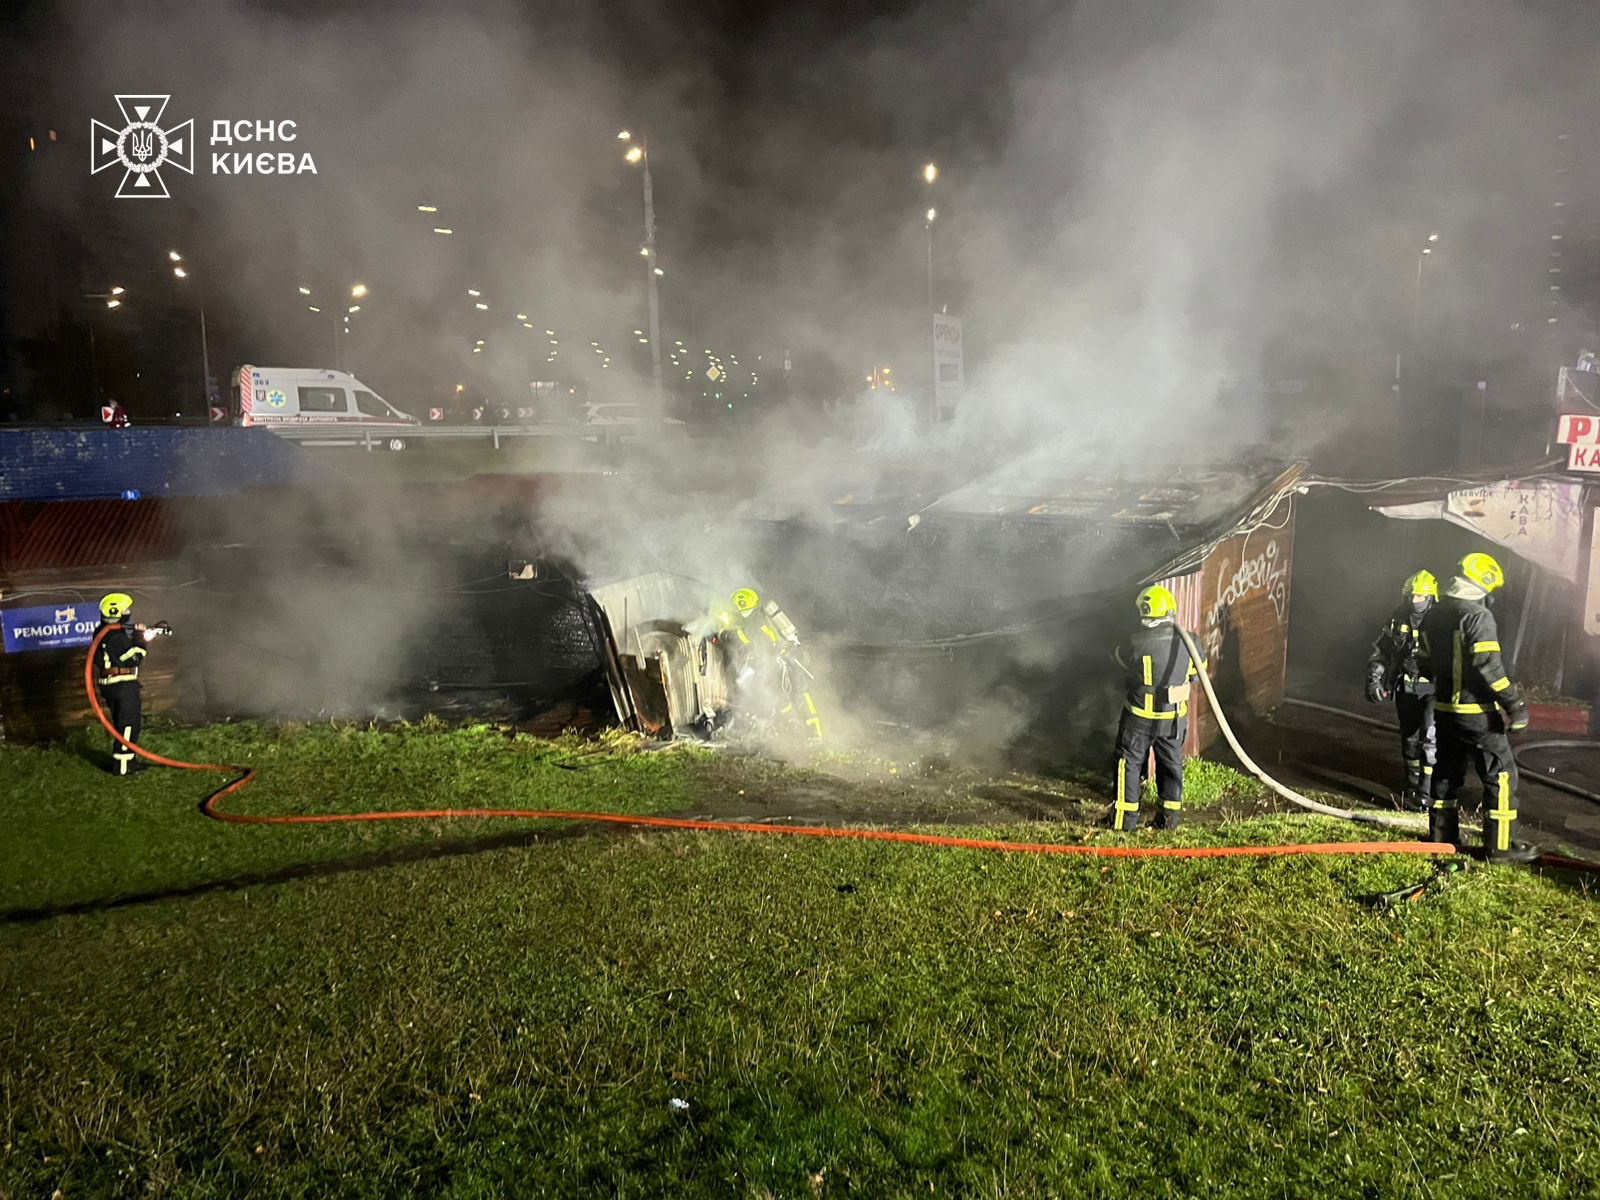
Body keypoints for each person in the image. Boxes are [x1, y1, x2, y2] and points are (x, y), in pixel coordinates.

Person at [1420, 552, 1536, 862]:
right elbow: (1489, 669)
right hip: (1477, 716)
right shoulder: (1477, 616)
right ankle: (1500, 846)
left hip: (1444, 711)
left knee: (1445, 774)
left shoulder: (1434, 613)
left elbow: (1424, 663)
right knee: (1500, 776)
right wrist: (1515, 706)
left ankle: (1441, 838)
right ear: (1481, 584)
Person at [1111, 585, 1205, 832]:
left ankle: (1124, 823)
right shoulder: (1191, 641)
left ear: (1144, 611)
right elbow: (1198, 672)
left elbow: (1118, 657)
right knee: (1171, 765)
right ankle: (1168, 821)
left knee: (1128, 765)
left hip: (1138, 720)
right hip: (1174, 721)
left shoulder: (1136, 643)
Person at [1365, 569, 1439, 810]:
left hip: (1433, 689)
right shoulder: (1398, 618)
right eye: (1410, 597)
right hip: (1405, 687)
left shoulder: (1441, 621)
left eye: (1419, 597)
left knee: (1429, 739)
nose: (1413, 602)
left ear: (1430, 598)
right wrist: (1374, 678)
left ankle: (1426, 793)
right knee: (1409, 739)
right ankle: (1412, 786)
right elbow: (1382, 649)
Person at [95, 592, 150, 776]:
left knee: (126, 724)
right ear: (117, 611)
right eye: (125, 609)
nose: (128, 612)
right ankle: (123, 767)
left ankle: (129, 761)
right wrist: (139, 638)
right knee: (128, 725)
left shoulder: (105, 630)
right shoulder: (115, 636)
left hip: (115, 684)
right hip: (122, 685)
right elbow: (134, 658)